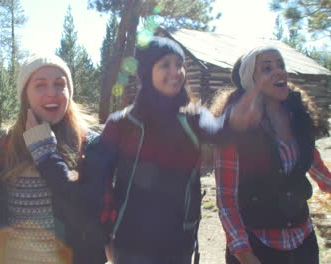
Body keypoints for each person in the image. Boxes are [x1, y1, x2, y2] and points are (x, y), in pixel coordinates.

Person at [96, 36, 260, 264]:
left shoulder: (193, 116)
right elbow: (99, 179)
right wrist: (104, 235)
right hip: (130, 242)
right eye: (165, 65)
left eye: (179, 64)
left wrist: (233, 123)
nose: (176, 72)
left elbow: (217, 132)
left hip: (179, 241)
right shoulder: (122, 123)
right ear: (146, 72)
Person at [210, 46, 330, 264]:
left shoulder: (298, 119)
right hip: (258, 246)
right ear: (251, 82)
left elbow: (317, 169)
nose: (279, 72)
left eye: (281, 65)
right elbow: (226, 199)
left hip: (303, 242)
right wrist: (243, 252)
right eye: (267, 68)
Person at [0, 53, 106, 264]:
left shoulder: (90, 143)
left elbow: (90, 213)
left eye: (60, 84)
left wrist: (46, 154)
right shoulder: (6, 142)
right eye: (40, 85)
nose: (52, 93)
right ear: (25, 95)